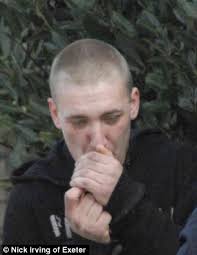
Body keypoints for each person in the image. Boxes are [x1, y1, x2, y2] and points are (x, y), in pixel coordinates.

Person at [2, 38, 197, 255]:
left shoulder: (177, 165)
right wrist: (84, 246)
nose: (98, 141)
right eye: (79, 122)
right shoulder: (31, 195)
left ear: (133, 104)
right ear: (55, 114)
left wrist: (126, 203)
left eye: (111, 118)